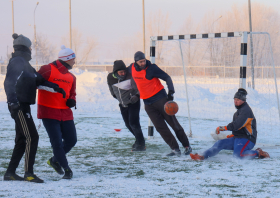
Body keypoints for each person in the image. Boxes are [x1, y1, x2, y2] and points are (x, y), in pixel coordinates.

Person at [3, 34, 65, 183]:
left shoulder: (25, 64)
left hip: (22, 105)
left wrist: (56, 88)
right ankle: (28, 173)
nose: (32, 49)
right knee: (32, 137)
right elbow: (9, 83)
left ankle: (10, 173)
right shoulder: (18, 61)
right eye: (30, 46)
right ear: (25, 47)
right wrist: (13, 102)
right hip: (19, 105)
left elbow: (38, 79)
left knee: (22, 139)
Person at [129, 51, 192, 156]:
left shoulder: (152, 68)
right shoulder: (131, 68)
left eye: (144, 61)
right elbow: (123, 72)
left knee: (173, 123)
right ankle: (175, 149)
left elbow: (167, 77)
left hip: (161, 100)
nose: (143, 63)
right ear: (135, 62)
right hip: (148, 104)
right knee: (160, 127)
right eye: (140, 62)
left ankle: (187, 146)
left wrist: (171, 93)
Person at [190, 88, 270, 160]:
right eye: (235, 99)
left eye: (238, 100)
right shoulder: (238, 112)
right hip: (238, 138)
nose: (235, 101)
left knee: (238, 156)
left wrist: (223, 128)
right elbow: (238, 129)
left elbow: (238, 125)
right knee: (219, 143)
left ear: (243, 100)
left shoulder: (246, 111)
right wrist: (233, 135)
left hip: (248, 139)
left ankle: (258, 153)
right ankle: (202, 156)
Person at [37, 45, 77, 179]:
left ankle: (54, 160)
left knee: (72, 140)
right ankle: (66, 169)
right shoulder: (46, 69)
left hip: (65, 112)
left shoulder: (72, 77)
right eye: (73, 59)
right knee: (57, 143)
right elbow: (35, 82)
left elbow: (72, 93)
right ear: (67, 59)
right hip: (48, 110)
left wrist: (72, 100)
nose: (74, 62)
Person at [107, 60, 145, 151]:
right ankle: (139, 141)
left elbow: (140, 87)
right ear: (116, 72)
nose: (123, 73)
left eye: (124, 71)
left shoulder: (130, 75)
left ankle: (141, 144)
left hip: (134, 102)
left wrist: (136, 96)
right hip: (123, 104)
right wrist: (119, 99)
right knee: (128, 124)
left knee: (134, 123)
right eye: (121, 72)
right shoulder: (110, 78)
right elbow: (112, 91)